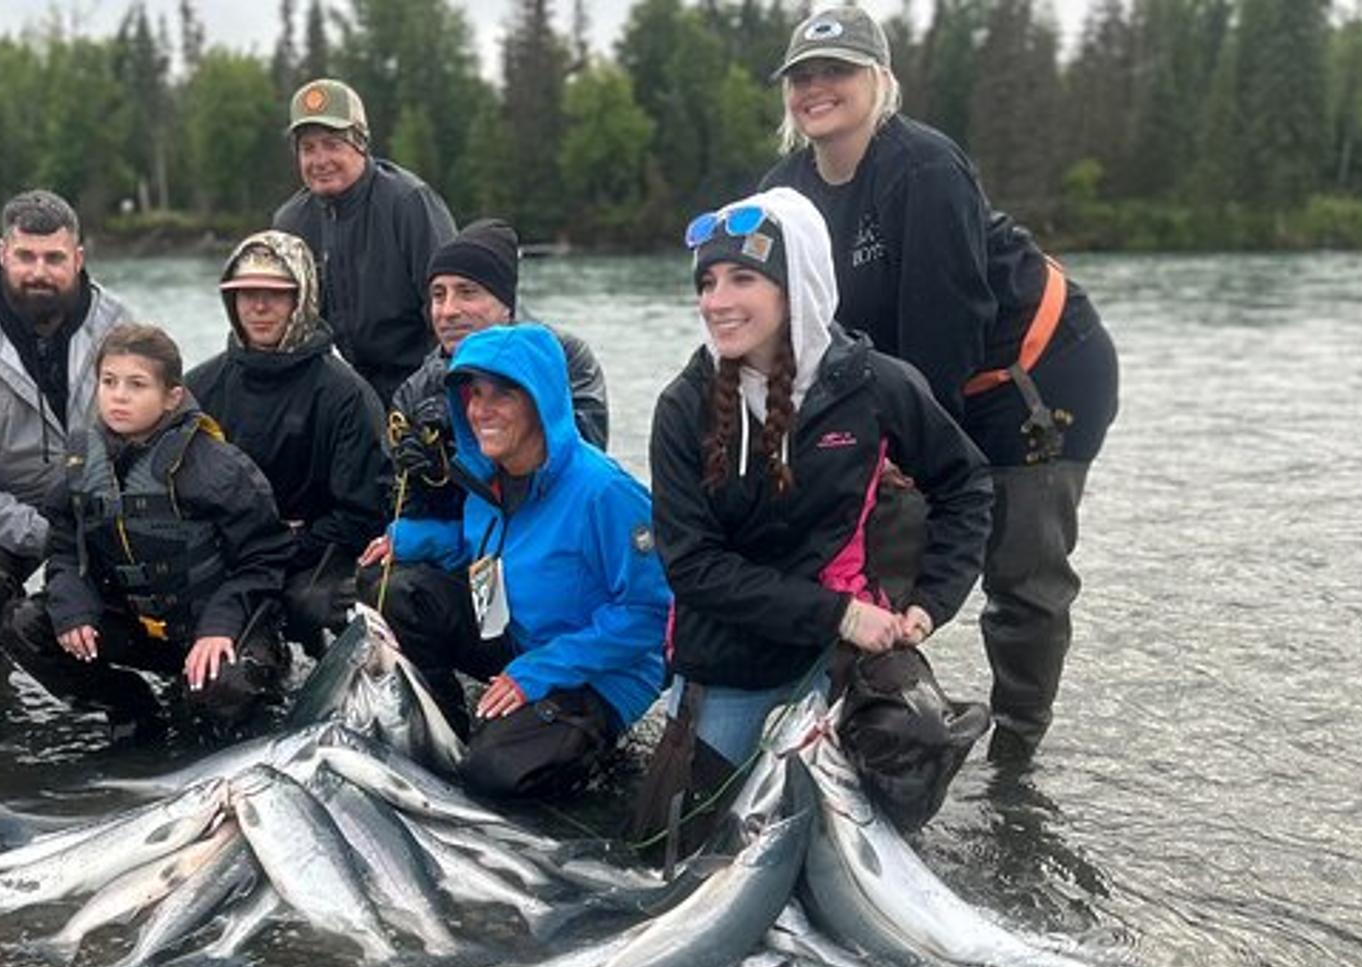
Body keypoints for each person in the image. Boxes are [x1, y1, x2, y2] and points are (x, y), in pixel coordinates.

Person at [759, 5, 1119, 765]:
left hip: (1033, 377)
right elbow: (778, 318)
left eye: (839, 72)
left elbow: (943, 322)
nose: (818, 88)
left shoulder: (923, 166)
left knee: (1021, 575)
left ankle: (1015, 755)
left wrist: (907, 449)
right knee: (866, 547)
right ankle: (868, 727)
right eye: (804, 76)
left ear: (880, 81)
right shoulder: (785, 187)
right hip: (919, 382)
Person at [646, 189, 992, 818]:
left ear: (795, 285)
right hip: (730, 655)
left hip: (842, 655)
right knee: (672, 839)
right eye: (707, 283)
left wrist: (930, 603)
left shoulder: (878, 386)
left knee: (918, 746)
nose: (716, 302)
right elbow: (692, 567)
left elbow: (966, 486)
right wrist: (839, 614)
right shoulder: (682, 408)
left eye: (742, 278)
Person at [359, 323, 670, 801]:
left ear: (541, 400)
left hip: (602, 675)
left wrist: (537, 674)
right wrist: (408, 538)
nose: (481, 410)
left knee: (491, 775)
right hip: (520, 638)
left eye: (503, 394)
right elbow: (486, 549)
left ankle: (581, 751)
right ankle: (448, 729)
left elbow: (651, 615)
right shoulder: (488, 477)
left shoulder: (606, 493)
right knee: (395, 589)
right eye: (473, 394)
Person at [0, 324, 292, 732]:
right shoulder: (80, 467)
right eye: (109, 382)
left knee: (224, 693)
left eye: (137, 385)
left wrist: (219, 627)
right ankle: (130, 706)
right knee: (25, 625)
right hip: (137, 627)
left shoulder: (218, 468)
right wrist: (71, 609)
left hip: (216, 625)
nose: (119, 396)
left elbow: (266, 558)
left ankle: (243, 693)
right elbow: (65, 548)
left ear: (172, 397)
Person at [0, 189, 134, 714]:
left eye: (55, 258)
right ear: (1, 253)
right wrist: (48, 534)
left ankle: (115, 697)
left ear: (78, 258)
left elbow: (154, 435)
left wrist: (113, 528)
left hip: (95, 509)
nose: (40, 271)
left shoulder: (123, 327)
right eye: (26, 257)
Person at [185, 231, 387, 654]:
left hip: (315, 551)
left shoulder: (346, 394)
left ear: (303, 299)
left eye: (275, 295)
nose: (259, 307)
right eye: (246, 294)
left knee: (308, 604)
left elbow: (363, 512)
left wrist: (282, 545)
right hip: (228, 553)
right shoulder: (199, 387)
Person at [384, 218, 609, 530]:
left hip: (554, 528)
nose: (448, 310)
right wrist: (429, 476)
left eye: (467, 292)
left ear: (507, 304)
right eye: (438, 295)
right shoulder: (415, 389)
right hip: (465, 541)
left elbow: (580, 452)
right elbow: (405, 507)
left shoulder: (562, 357)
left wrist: (462, 442)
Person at [273, 78, 455, 405]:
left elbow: (452, 312)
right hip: (352, 391)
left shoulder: (410, 203)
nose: (319, 160)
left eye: (332, 144)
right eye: (308, 148)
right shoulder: (290, 223)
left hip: (426, 381)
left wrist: (428, 398)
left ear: (360, 143)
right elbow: (291, 330)